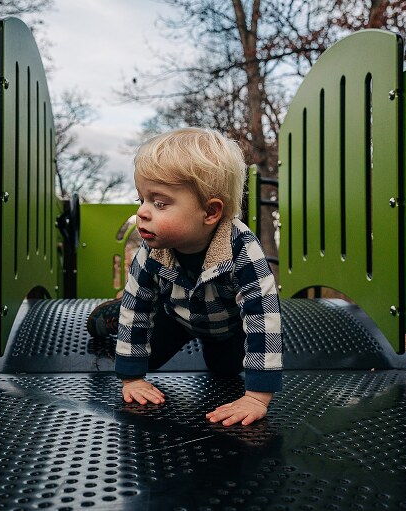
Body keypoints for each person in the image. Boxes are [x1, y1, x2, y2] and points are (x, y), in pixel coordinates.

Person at [87, 127, 283, 427]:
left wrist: (256, 397)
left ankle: (216, 352)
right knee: (141, 358)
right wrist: (132, 380)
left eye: (160, 203)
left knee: (226, 371)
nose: (142, 212)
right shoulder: (152, 250)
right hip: (173, 316)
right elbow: (137, 307)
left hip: (226, 326)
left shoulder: (241, 249)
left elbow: (262, 317)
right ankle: (110, 314)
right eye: (142, 199)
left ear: (210, 211)